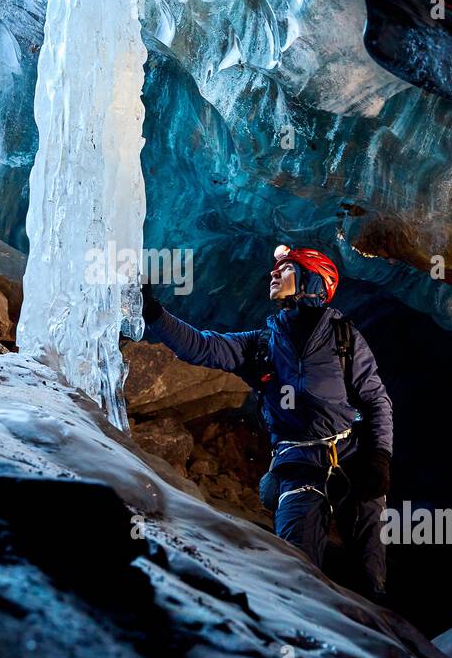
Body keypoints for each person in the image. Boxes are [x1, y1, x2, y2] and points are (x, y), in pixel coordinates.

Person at [141, 244, 393, 602]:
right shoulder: (261, 345)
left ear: (312, 279)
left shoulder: (345, 339)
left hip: (353, 463)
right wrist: (153, 313)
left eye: (286, 268)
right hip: (296, 469)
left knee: (370, 579)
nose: (273, 273)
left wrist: (379, 457)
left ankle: (381, 645)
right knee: (296, 576)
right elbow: (201, 346)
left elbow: (375, 400)